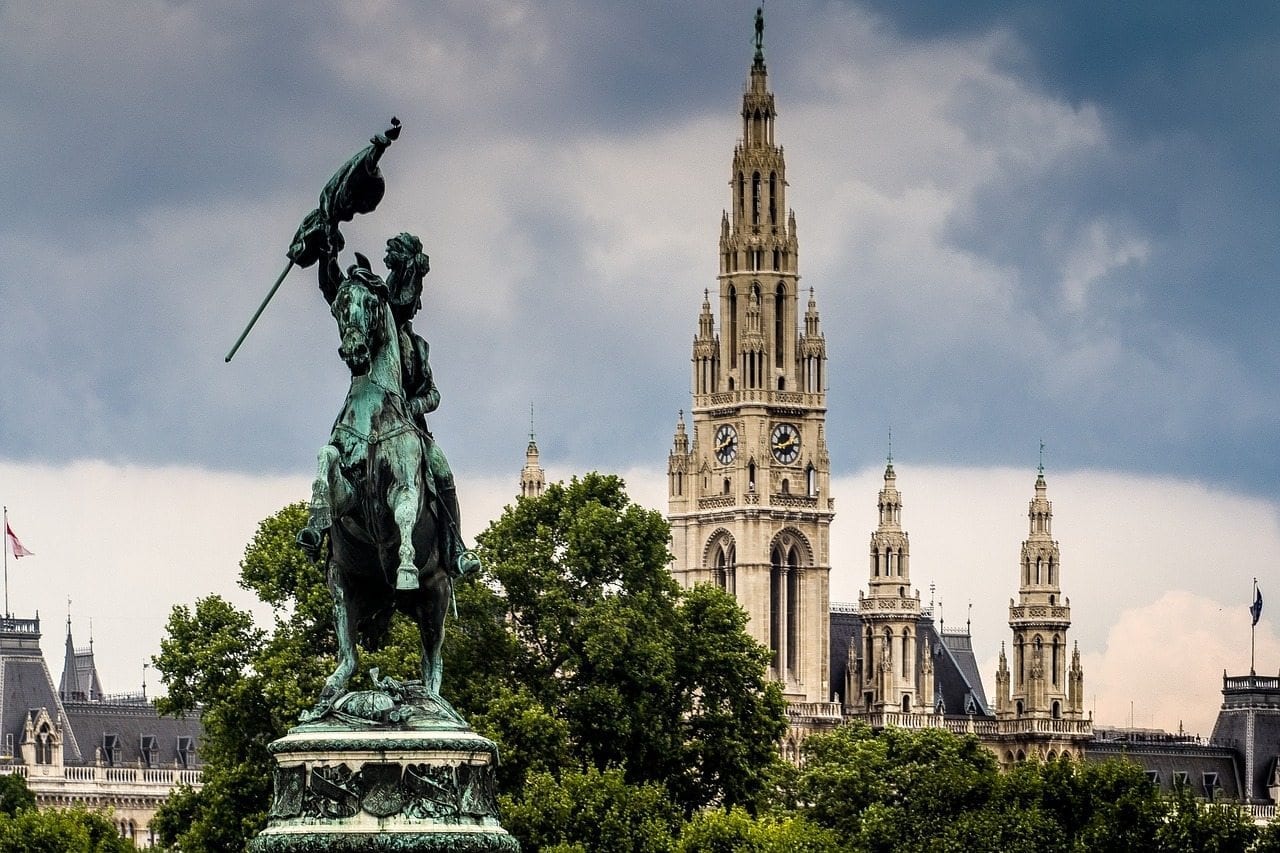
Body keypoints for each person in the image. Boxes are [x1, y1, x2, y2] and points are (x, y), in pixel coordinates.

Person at [298, 232, 477, 579]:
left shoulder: (417, 348)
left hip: (407, 428)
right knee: (332, 450)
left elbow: (433, 393)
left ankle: (454, 546)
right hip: (363, 420)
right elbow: (336, 293)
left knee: (440, 467)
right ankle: (318, 527)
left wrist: (413, 406)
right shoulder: (375, 340)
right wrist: (325, 253)